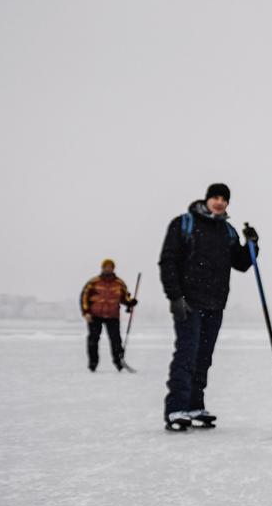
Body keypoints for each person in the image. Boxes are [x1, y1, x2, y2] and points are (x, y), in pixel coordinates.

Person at [157, 183, 259, 431]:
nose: (220, 202)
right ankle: (176, 409)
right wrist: (175, 297)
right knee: (186, 354)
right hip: (188, 302)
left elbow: (242, 263)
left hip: (215, 302)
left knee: (203, 356)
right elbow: (168, 261)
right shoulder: (184, 223)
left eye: (224, 199)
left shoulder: (227, 231)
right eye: (216, 197)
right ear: (207, 199)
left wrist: (253, 244)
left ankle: (194, 405)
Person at [79, 258, 137, 372]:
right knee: (93, 340)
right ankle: (93, 364)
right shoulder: (93, 282)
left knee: (116, 340)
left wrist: (130, 302)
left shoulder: (119, 283)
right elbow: (84, 297)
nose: (108, 269)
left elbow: (125, 297)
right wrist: (86, 312)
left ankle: (119, 363)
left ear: (113, 268)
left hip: (112, 316)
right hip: (95, 316)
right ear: (103, 268)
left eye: (110, 267)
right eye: (106, 267)